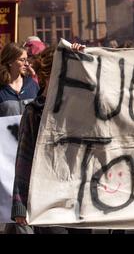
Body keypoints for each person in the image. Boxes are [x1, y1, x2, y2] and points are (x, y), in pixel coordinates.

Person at [8, 43, 85, 234]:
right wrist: (20, 204)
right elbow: (24, 159)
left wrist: (83, 57)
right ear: (46, 76)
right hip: (48, 201)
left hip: (81, 201)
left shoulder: (82, 107)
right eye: (61, 73)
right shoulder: (34, 112)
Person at [0, 42, 39, 117]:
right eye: (22, 60)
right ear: (10, 61)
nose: (26, 64)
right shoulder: (1, 87)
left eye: (26, 59)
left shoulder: (32, 85)